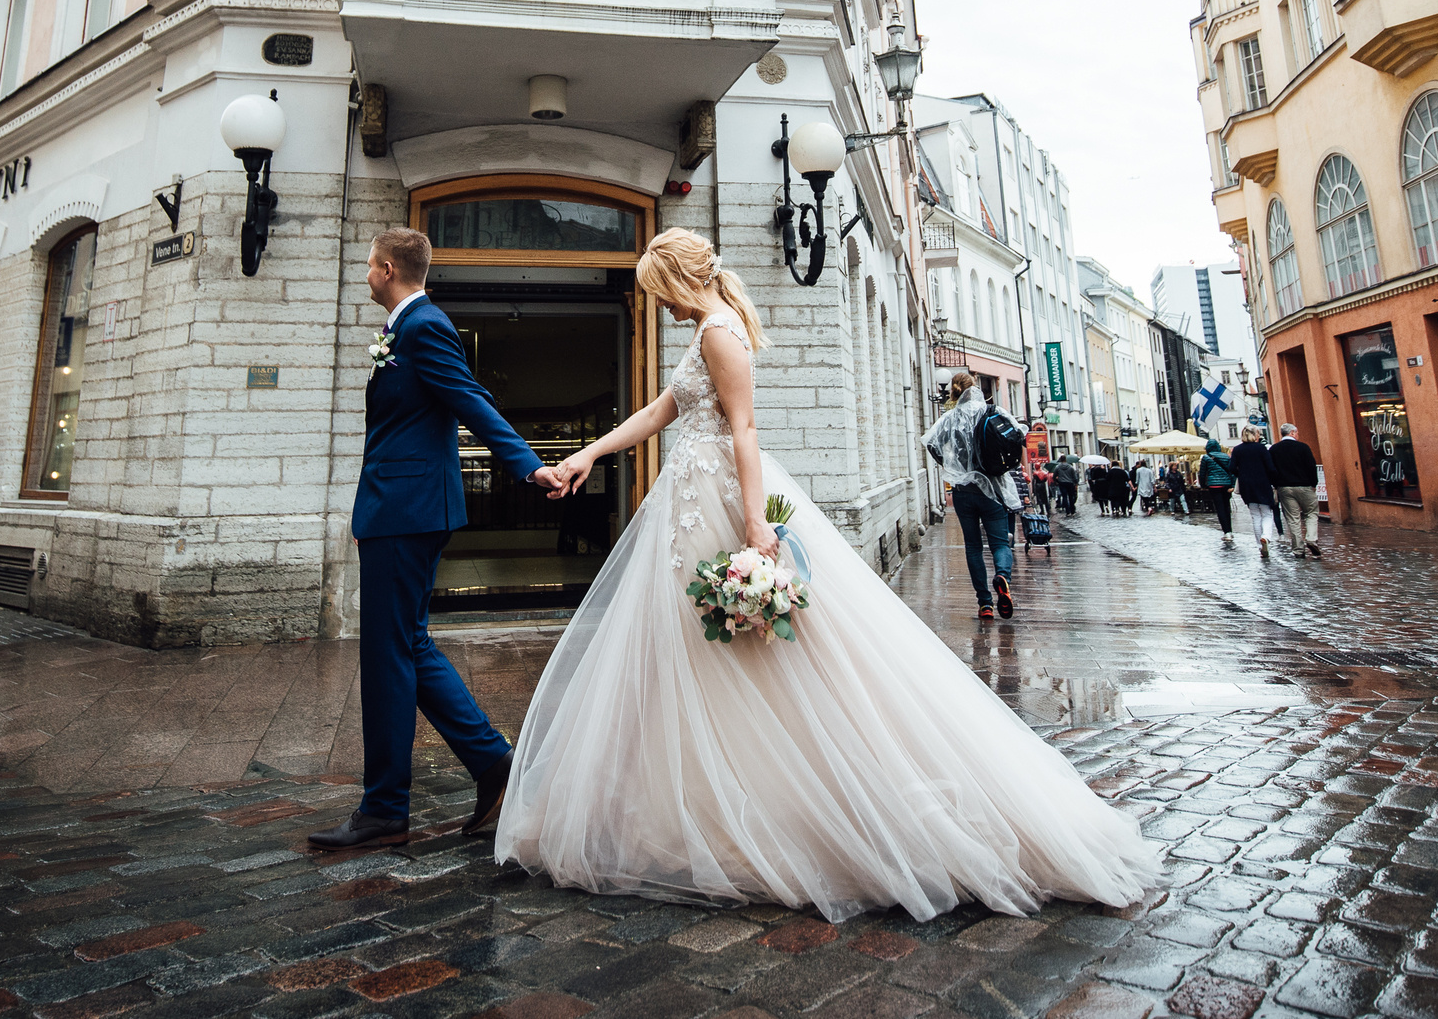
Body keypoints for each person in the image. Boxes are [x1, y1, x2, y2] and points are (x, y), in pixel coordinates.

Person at [499, 230, 1162, 920]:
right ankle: (695, 797)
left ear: (674, 279)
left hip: (720, 506)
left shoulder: (720, 333)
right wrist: (588, 455)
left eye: (655, 291)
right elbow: (661, 412)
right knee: (694, 654)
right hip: (689, 507)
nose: (656, 305)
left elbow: (744, 430)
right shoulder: (703, 333)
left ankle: (759, 801)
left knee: (743, 654)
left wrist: (754, 526)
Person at [308, 228, 565, 852]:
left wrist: (529, 465)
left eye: (370, 266)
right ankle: (492, 766)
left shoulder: (423, 326)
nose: (366, 274)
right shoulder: (405, 329)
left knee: (389, 655)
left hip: (407, 511)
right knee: (406, 647)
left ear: (388, 268)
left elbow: (471, 400)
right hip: (400, 508)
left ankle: (386, 809)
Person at [921, 372, 1014, 619]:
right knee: (1000, 542)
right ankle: (1003, 576)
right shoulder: (994, 412)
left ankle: (984, 603)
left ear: (954, 391)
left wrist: (951, 465)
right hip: (992, 489)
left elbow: (931, 443)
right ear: (974, 387)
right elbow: (1017, 436)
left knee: (973, 546)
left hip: (963, 492)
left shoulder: (950, 417)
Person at [1270, 426, 1322, 558]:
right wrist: (1313, 483)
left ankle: (1298, 549)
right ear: (1292, 433)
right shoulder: (1303, 447)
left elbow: (1271, 469)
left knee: (1293, 518)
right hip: (1304, 486)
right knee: (1311, 513)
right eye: (1297, 432)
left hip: (1285, 487)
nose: (1298, 435)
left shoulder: (1274, 449)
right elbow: (1311, 466)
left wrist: (1277, 484)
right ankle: (1311, 538)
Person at [1229, 432, 1282, 559]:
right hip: (1262, 483)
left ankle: (1260, 545)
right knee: (1267, 513)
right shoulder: (1260, 448)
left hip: (1247, 485)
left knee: (1255, 515)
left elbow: (1231, 468)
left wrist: (1242, 473)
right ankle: (1266, 537)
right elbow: (1271, 468)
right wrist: (1274, 481)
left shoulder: (1237, 449)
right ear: (1255, 436)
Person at [1197, 442, 1237, 546]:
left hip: (1214, 485)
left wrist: (1203, 485)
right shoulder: (1225, 456)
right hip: (1226, 485)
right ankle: (1230, 531)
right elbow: (1232, 471)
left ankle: (1226, 532)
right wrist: (1232, 484)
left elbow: (1202, 473)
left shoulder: (1206, 457)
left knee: (1220, 509)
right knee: (1226, 507)